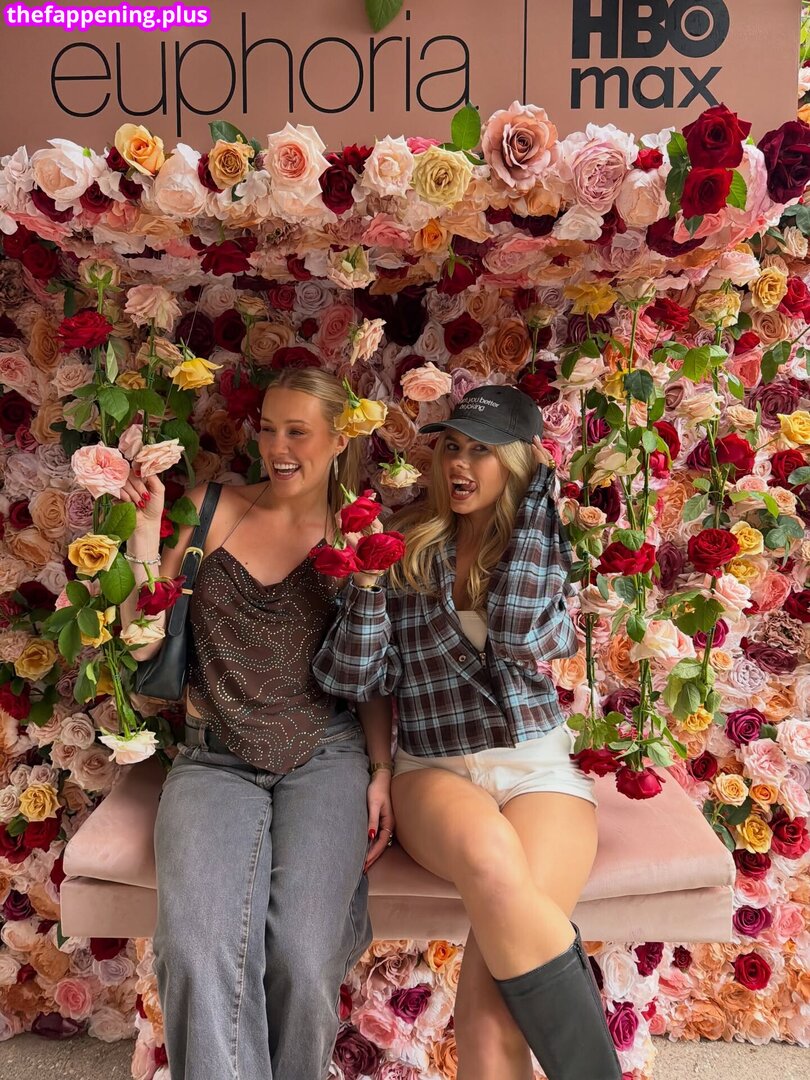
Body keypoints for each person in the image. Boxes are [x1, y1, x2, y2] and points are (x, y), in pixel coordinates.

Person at [313, 385, 621, 1080]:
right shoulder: (404, 546)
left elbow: (521, 631)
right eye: (452, 446)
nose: (459, 463)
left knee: (490, 1009)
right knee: (488, 854)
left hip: (538, 767)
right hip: (435, 769)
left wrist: (539, 499)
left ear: (518, 465)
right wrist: (367, 583)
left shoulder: (543, 545)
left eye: (482, 451)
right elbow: (357, 677)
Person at [117, 368, 394, 1080]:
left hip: (324, 754)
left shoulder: (358, 534)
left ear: (339, 439)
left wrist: (381, 769)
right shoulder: (209, 506)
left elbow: (368, 671)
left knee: (304, 955)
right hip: (212, 756)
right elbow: (142, 644)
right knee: (193, 948)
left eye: (297, 431)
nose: (277, 447)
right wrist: (146, 531)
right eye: (268, 428)